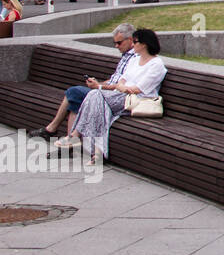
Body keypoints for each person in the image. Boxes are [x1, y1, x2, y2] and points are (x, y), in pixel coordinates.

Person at [65, 28, 167, 164]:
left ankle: (75, 135)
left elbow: (138, 89)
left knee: (95, 94)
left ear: (144, 44)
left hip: (136, 102)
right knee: (100, 106)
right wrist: (122, 87)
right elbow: (122, 81)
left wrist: (123, 88)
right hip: (119, 98)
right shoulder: (134, 60)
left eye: (135, 41)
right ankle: (98, 154)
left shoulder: (156, 65)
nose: (133, 44)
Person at [40, 24, 136, 141]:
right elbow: (113, 80)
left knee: (73, 92)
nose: (116, 46)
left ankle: (52, 130)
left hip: (114, 97)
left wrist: (99, 86)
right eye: (114, 43)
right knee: (75, 100)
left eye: (119, 43)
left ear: (130, 39)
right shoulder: (126, 55)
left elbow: (122, 86)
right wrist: (98, 83)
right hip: (106, 92)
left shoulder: (135, 58)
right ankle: (69, 142)